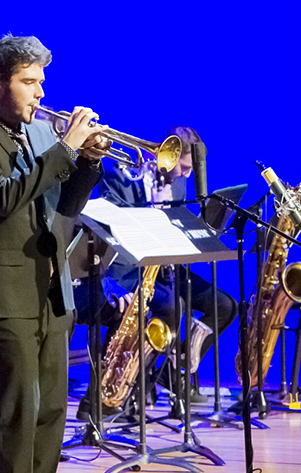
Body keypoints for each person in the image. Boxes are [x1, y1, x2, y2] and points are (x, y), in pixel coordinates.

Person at [0, 34, 106, 473]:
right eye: (30, 81)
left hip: (51, 292)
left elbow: (65, 208)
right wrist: (67, 149)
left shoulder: (40, 133)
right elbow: (3, 197)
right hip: (4, 295)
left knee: (52, 411)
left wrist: (88, 162)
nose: (41, 92)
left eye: (42, 81)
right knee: (19, 413)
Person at [93, 125, 236, 403]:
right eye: (183, 167)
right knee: (173, 306)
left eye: (190, 169)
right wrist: (152, 205)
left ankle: (174, 371)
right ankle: (134, 382)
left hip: (167, 267)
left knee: (224, 306)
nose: (186, 175)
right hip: (132, 269)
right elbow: (115, 228)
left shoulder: (179, 183)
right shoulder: (123, 177)